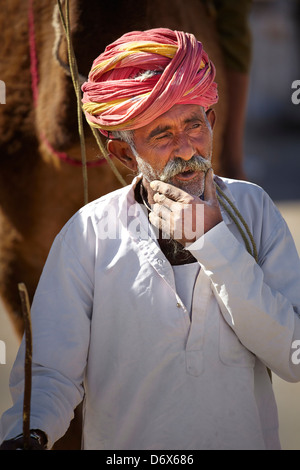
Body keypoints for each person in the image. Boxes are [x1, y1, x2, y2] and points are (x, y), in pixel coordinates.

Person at [1, 27, 300, 451]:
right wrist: (29, 433)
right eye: (161, 134)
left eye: (194, 125)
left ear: (211, 122)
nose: (185, 150)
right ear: (125, 154)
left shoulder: (254, 211)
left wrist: (213, 241)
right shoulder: (89, 233)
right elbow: (51, 373)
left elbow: (292, 356)